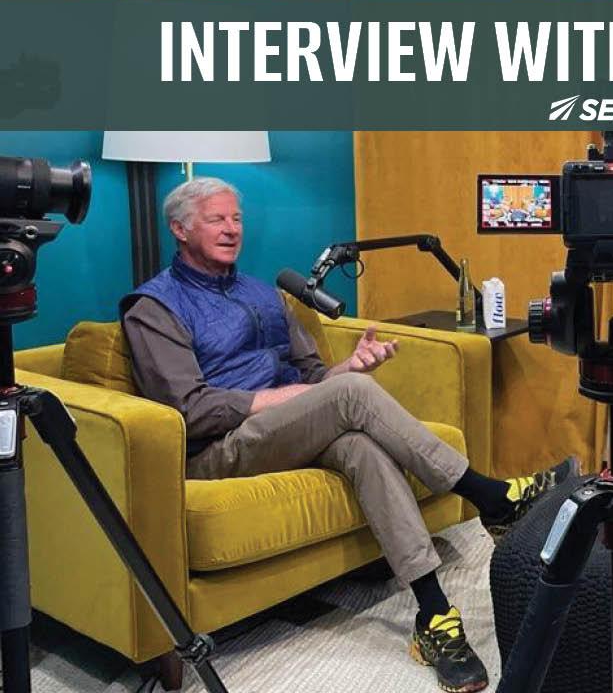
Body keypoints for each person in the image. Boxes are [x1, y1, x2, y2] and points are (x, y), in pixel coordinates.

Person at [121, 177, 576, 693]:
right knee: (352, 395)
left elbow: (315, 381)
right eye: (215, 219)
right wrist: (307, 397)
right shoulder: (153, 307)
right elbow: (190, 409)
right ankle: (490, 496)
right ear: (180, 229)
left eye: (236, 219)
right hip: (218, 450)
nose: (231, 230)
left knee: (358, 440)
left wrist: (349, 368)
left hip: (285, 432)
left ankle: (434, 614)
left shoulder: (263, 294)